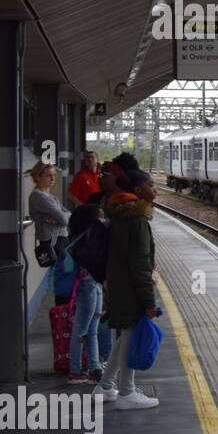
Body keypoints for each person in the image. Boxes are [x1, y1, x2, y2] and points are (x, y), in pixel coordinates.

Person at [94, 168, 160, 410]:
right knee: (131, 337)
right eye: (151, 186)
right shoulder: (137, 220)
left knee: (125, 337)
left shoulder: (121, 215)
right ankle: (126, 393)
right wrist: (149, 302)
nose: (155, 191)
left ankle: (106, 385)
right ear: (137, 190)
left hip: (118, 284)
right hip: (130, 289)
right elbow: (141, 265)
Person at [62, 204, 107, 383]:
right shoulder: (83, 240)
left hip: (94, 286)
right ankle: (76, 369)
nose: (103, 220)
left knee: (92, 330)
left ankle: (94, 366)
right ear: (91, 221)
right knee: (81, 329)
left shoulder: (82, 238)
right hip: (87, 287)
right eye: (100, 217)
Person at [27, 161, 71, 261]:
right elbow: (64, 220)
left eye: (54, 175)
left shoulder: (51, 197)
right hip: (53, 242)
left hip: (60, 239)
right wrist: (61, 218)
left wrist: (60, 217)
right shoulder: (38, 197)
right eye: (49, 176)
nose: (53, 179)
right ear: (38, 177)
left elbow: (68, 214)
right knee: (61, 273)